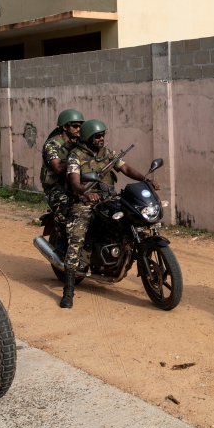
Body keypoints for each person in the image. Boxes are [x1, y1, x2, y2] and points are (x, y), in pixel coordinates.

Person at [62, 119, 158, 309]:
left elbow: (125, 168)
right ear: (88, 137)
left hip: (107, 198)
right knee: (77, 237)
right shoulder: (76, 156)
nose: (101, 138)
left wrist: (145, 179)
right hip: (84, 201)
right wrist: (85, 193)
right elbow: (74, 181)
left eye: (103, 135)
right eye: (98, 136)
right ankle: (68, 289)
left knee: (131, 217)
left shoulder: (108, 153)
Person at [40, 109, 85, 242]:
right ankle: (61, 241)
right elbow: (58, 168)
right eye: (75, 126)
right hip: (54, 185)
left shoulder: (77, 142)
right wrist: (76, 159)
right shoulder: (52, 144)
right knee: (63, 203)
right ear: (65, 127)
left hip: (72, 181)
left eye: (80, 126)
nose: (78, 129)